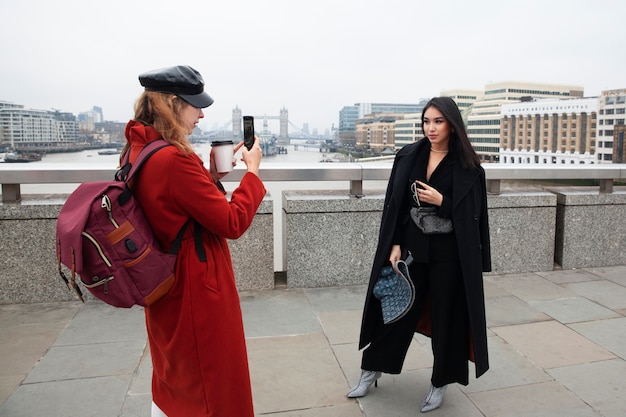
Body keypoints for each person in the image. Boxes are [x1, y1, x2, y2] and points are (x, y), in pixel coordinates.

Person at [121, 65, 266, 417]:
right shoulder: (174, 159)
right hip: (197, 287)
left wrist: (210, 177)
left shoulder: (138, 149)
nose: (202, 113)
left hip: (164, 281)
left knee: (176, 374)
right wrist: (253, 174)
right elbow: (231, 221)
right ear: (172, 103)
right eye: (195, 105)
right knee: (212, 383)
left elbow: (173, 204)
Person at [347, 97, 491, 413]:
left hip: (449, 256)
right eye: (427, 121)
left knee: (447, 320)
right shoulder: (409, 155)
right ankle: (371, 369)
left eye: (438, 121)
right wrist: (395, 243)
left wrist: (444, 200)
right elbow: (396, 204)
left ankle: (440, 382)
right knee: (393, 311)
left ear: (452, 124)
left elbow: (475, 215)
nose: (431, 128)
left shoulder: (468, 167)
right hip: (411, 249)